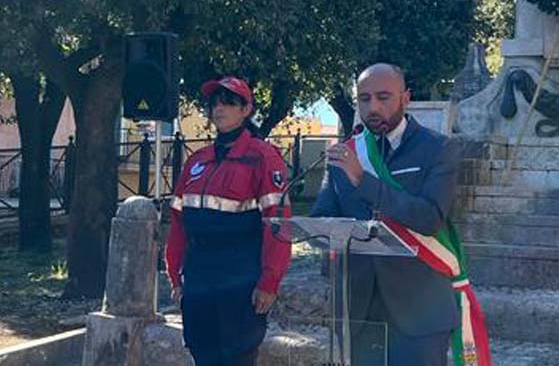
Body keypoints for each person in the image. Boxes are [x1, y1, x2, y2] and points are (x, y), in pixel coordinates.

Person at [312, 63, 489, 366]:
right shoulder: (346, 153)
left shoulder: (437, 149)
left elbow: (430, 217)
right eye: (364, 99)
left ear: (405, 99)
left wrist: (363, 181)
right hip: (359, 309)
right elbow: (320, 222)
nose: (373, 107)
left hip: (419, 310)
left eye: (383, 97)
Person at [165, 76, 292, 366]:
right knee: (201, 351)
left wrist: (269, 281)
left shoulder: (263, 157)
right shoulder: (197, 161)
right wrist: (175, 275)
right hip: (198, 276)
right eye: (215, 102)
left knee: (237, 357)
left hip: (239, 277)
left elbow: (278, 224)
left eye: (229, 102)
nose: (219, 108)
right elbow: (177, 223)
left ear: (246, 109)